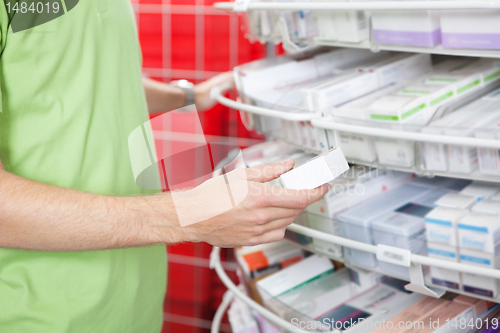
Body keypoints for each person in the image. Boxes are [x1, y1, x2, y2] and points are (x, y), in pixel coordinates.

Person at [0, 1, 329, 332]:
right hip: (40, 314)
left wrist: (186, 97)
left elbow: (76, 74)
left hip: (133, 301)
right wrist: (188, 217)